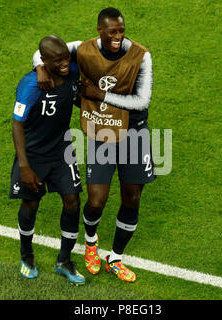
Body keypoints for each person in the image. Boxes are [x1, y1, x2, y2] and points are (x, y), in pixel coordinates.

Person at [33, 7, 155, 283]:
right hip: (102, 132)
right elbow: (44, 51)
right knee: (97, 200)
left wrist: (102, 94)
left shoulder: (141, 56)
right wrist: (41, 67)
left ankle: (115, 257)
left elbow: (142, 101)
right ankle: (91, 243)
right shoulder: (83, 49)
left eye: (121, 31)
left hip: (134, 132)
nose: (118, 36)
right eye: (112, 31)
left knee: (132, 196)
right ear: (99, 30)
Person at [10, 35, 85, 285]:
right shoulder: (31, 85)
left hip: (62, 150)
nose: (65, 63)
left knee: (73, 201)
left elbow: (75, 97)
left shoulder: (72, 71)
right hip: (34, 155)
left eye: (66, 58)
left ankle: (64, 261)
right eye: (57, 60)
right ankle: (26, 255)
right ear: (43, 61)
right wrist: (24, 166)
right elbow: (17, 123)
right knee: (31, 205)